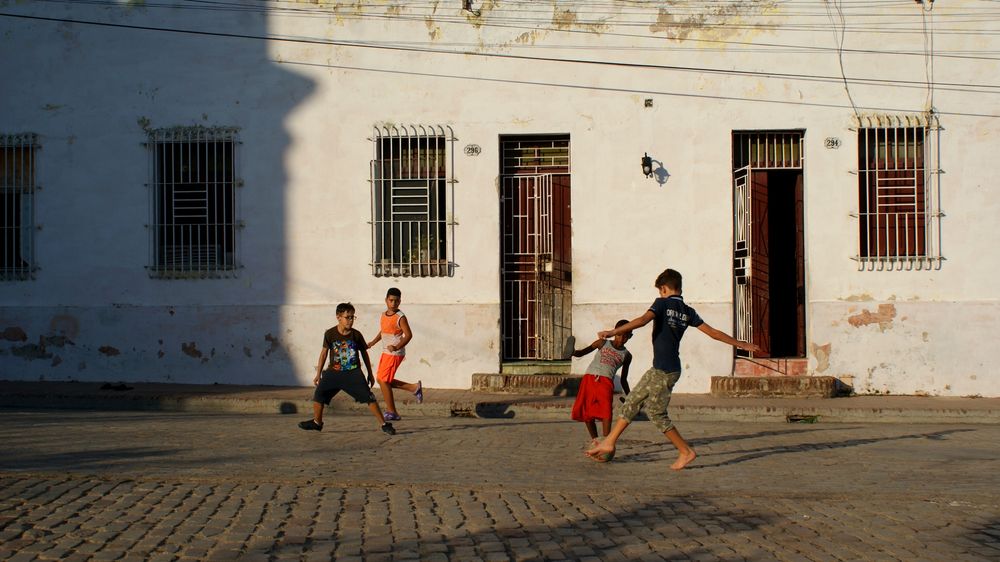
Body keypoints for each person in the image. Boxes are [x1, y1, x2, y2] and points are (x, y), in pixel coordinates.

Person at [586, 268, 759, 470]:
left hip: (665, 370)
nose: (660, 294)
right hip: (661, 368)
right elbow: (713, 333)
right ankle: (609, 442)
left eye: (661, 291)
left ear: (664, 288)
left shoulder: (661, 304)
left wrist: (613, 331)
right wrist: (741, 344)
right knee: (631, 401)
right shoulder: (687, 311)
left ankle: (686, 452)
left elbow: (641, 321)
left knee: (656, 413)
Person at [298, 302, 396, 435]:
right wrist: (318, 374)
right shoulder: (330, 334)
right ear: (338, 317)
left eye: (352, 317)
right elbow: (323, 354)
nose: (350, 320)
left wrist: (370, 374)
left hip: (353, 373)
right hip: (333, 372)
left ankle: (384, 424)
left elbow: (364, 354)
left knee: (369, 398)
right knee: (319, 395)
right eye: (347, 317)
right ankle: (317, 422)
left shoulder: (356, 335)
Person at [570, 319, 633, 440]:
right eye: (619, 334)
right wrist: (572, 352)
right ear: (615, 333)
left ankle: (606, 441)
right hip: (589, 379)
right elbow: (582, 352)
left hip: (606, 382)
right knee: (587, 412)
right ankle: (595, 440)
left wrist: (630, 397)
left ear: (630, 336)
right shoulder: (602, 343)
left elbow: (623, 379)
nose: (622, 338)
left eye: (626, 336)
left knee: (606, 413)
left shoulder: (627, 355)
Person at [367, 288, 423, 421]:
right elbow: (383, 332)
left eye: (396, 301)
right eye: (391, 300)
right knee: (384, 380)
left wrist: (396, 346)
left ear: (400, 302)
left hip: (395, 353)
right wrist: (373, 342)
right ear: (386, 300)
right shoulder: (383, 314)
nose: (393, 303)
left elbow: (408, 335)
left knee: (383, 380)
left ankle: (392, 412)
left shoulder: (401, 317)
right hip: (386, 352)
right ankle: (414, 388)